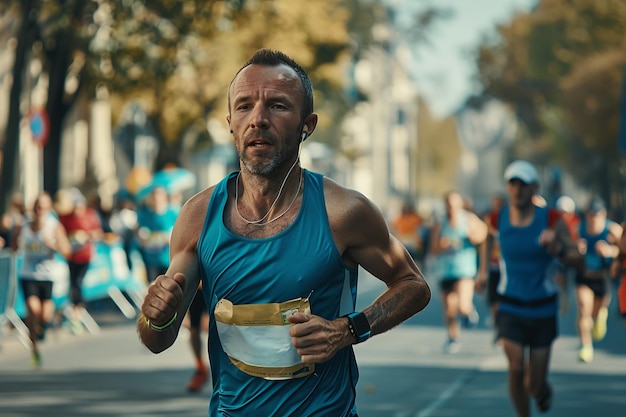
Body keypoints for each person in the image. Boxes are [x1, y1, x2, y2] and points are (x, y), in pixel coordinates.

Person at [137, 48, 431, 416]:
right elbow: (158, 340)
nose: (258, 119)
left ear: (307, 124)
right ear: (231, 121)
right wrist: (154, 315)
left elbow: (414, 285)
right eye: (244, 106)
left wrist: (347, 331)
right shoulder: (198, 217)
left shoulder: (343, 212)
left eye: (277, 106)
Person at [491, 160, 583, 417]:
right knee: (516, 369)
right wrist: (481, 272)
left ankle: (543, 391)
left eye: (523, 184)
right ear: (508, 187)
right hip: (510, 304)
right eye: (513, 183)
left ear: (535, 187)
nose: (517, 189)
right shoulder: (498, 217)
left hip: (542, 308)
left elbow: (578, 260)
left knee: (533, 384)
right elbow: (485, 236)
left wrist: (558, 248)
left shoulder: (552, 219)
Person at [10, 192, 71, 366]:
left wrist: (53, 245)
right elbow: (13, 247)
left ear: (48, 208)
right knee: (33, 310)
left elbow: (67, 251)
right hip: (28, 275)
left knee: (45, 315)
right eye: (37, 206)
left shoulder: (54, 226)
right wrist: (16, 241)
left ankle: (41, 328)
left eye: (43, 206)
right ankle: (34, 348)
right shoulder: (24, 225)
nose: (40, 209)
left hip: (47, 275)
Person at [430, 190, 488, 353]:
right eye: (448, 204)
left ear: (460, 204)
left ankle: (468, 311)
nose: (451, 207)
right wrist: (441, 245)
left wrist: (473, 236)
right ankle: (453, 337)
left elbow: (484, 234)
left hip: (464, 269)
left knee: (461, 305)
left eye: (455, 203)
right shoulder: (440, 222)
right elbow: (433, 249)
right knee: (449, 307)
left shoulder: (468, 219)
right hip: (445, 271)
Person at [573, 196, 621, 363]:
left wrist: (610, 251)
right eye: (590, 214)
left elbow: (622, 251)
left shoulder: (612, 229)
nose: (593, 218)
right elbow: (566, 251)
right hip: (584, 277)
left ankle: (601, 315)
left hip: (603, 278)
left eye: (596, 214)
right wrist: (576, 250)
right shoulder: (579, 228)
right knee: (583, 309)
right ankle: (585, 346)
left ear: (604, 214)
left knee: (595, 313)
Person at [57, 188, 104, 334]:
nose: (78, 210)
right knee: (72, 285)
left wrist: (88, 235)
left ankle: (76, 316)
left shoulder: (90, 215)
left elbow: (99, 233)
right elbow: (60, 233)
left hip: (85, 255)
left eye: (80, 206)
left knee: (78, 284)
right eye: (75, 206)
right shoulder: (66, 218)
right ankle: (74, 314)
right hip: (71, 255)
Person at [134, 186, 179, 283]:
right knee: (153, 287)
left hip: (169, 259)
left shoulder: (172, 213)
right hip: (151, 260)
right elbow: (138, 234)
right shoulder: (144, 215)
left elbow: (180, 233)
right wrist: (142, 237)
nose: (156, 199)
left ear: (164, 198)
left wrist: (170, 238)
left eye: (159, 196)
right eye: (153, 196)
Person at [477, 192, 506, 332]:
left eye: (500, 204)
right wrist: (482, 270)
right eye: (495, 204)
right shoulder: (490, 220)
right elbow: (485, 244)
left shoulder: (511, 219)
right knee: (493, 299)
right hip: (494, 266)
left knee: (504, 299)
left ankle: (504, 325)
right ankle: (498, 324)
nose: (497, 207)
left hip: (508, 267)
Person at [552, 195, 581, 313]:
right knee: (561, 276)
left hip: (575, 254)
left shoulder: (577, 221)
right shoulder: (555, 222)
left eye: (566, 212)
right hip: (562, 254)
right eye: (561, 212)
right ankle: (564, 297)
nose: (564, 215)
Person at [185, 283, 209, 393]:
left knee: (220, 326)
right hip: (196, 287)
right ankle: (201, 369)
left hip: (217, 284)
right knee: (194, 330)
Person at [390, 200, 424, 265]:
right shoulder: (400, 219)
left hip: (413, 245)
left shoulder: (414, 217)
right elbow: (392, 226)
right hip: (404, 244)